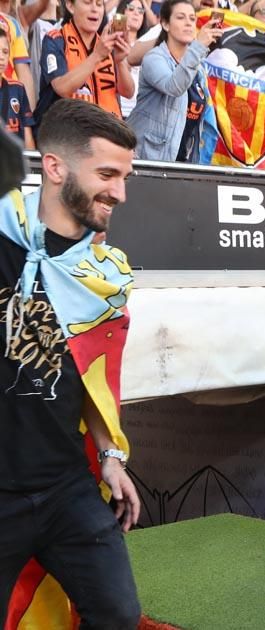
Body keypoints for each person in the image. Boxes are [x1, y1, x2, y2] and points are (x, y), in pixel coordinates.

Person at [0, 99, 140, 628]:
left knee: (117, 614)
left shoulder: (102, 278)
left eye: (126, 177)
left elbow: (97, 380)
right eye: (107, 174)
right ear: (55, 167)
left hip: (65, 486)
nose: (120, 193)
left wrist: (111, 454)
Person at [126, 0, 221, 162]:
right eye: (180, 17)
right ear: (165, 24)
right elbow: (174, 87)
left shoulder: (198, 68)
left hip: (181, 159)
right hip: (147, 158)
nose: (188, 23)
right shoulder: (154, 58)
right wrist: (198, 46)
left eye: (192, 19)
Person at [35, 0, 136, 123]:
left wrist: (120, 62)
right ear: (70, 6)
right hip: (66, 131)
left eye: (99, 4)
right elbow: (61, 87)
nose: (94, 9)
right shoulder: (55, 39)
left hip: (107, 131)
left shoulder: (107, 43)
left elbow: (128, 92)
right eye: (87, 2)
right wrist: (97, 55)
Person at [0, 30, 35, 149]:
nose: (1, 57)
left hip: (13, 162)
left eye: (5, 52)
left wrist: (30, 164)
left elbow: (27, 132)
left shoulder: (17, 89)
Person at [115, 0, 149, 118]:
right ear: (122, 11)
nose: (136, 13)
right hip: (116, 110)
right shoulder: (111, 41)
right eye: (131, 8)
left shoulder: (147, 45)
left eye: (141, 11)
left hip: (140, 113)